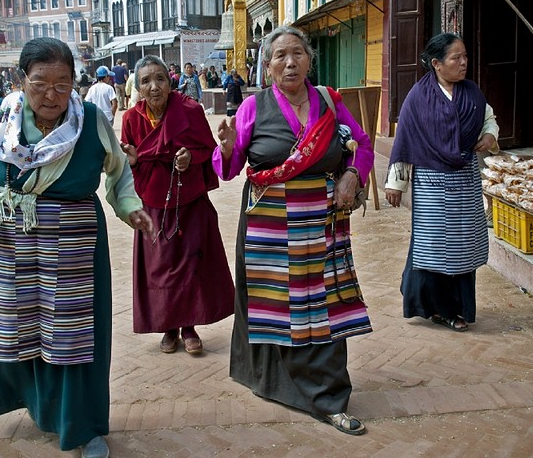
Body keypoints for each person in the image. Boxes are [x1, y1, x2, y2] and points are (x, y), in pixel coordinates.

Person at [0, 37, 154, 458]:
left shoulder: (89, 119)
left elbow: (119, 174)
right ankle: (37, 406)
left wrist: (130, 207)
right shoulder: (0, 117)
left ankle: (82, 427)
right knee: (21, 329)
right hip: (13, 239)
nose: (52, 95)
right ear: (20, 80)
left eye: (62, 84)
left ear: (74, 82)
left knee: (74, 336)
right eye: (40, 84)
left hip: (75, 241)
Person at [213, 25, 374, 436]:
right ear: (267, 66)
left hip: (322, 220)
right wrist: (229, 147)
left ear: (309, 60)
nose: (290, 62)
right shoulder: (254, 107)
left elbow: (364, 144)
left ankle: (328, 394)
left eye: (298, 53)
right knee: (276, 301)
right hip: (269, 222)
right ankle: (273, 379)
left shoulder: (329, 101)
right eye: (280, 55)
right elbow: (229, 170)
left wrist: (353, 173)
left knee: (324, 304)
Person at [385, 32, 499, 333]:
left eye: (465, 57)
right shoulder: (418, 98)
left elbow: (488, 119)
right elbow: (405, 141)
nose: (463, 63)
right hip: (431, 181)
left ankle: (459, 307)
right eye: (455, 58)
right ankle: (442, 310)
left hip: (465, 179)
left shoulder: (472, 93)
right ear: (436, 63)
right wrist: (396, 183)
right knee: (434, 247)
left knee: (463, 246)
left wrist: (489, 136)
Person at [120, 55, 234, 355]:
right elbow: (128, 162)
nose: (154, 86)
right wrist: (131, 159)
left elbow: (206, 151)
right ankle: (169, 328)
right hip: (153, 202)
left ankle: (189, 327)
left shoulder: (190, 110)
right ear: (138, 88)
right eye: (146, 81)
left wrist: (190, 158)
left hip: (190, 199)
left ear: (170, 81)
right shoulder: (131, 119)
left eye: (159, 78)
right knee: (160, 266)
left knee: (191, 264)